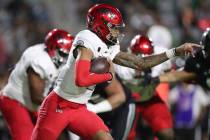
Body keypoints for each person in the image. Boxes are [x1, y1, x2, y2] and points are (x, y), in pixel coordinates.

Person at [31, 4, 200, 140]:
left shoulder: (108, 45)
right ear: (100, 26)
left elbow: (141, 63)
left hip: (79, 108)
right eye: (114, 27)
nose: (117, 32)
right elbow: (81, 80)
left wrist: (176, 51)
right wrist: (107, 75)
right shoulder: (86, 41)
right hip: (58, 105)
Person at [0, 29, 74, 140]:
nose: (65, 59)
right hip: (16, 101)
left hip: (35, 105)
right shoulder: (40, 60)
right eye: (64, 54)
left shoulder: (56, 60)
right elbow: (35, 96)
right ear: (52, 48)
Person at [115, 35, 174, 140]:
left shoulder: (161, 61)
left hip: (149, 98)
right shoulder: (122, 69)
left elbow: (169, 71)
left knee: (166, 132)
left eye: (147, 58)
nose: (142, 63)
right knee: (126, 136)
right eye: (139, 58)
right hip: (128, 101)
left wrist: (157, 78)